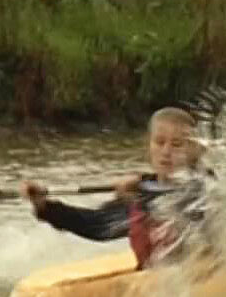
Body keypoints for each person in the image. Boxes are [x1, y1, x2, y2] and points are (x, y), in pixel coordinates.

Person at [23, 106, 206, 270]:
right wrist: (44, 206)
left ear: (194, 151)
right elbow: (96, 225)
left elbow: (196, 203)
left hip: (197, 276)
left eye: (177, 145)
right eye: (159, 142)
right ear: (149, 147)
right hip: (155, 280)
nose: (166, 151)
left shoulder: (203, 189)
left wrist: (138, 195)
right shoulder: (139, 192)